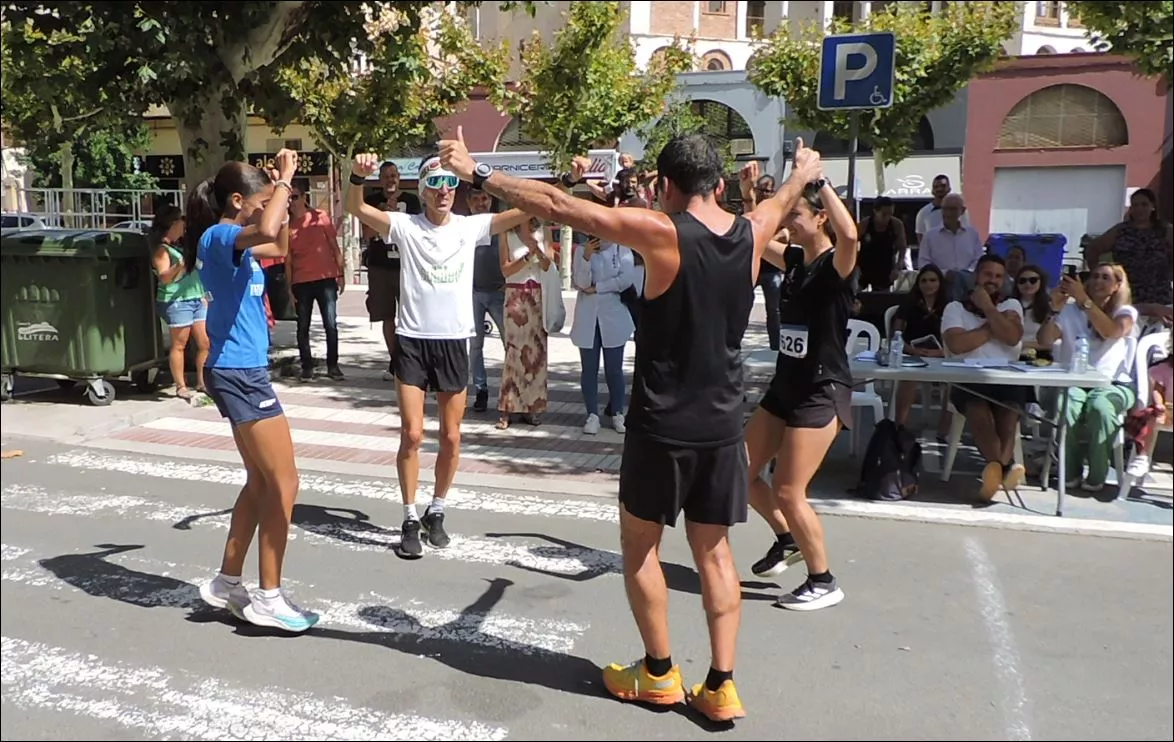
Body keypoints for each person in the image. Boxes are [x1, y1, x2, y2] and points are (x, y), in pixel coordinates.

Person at [439, 126, 825, 722]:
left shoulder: (663, 232)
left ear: (666, 187)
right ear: (719, 185)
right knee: (715, 553)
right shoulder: (753, 231)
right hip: (724, 424)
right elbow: (785, 195)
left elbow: (563, 207)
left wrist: (479, 173)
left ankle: (659, 673)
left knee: (640, 548)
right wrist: (803, 170)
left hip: (663, 426)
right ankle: (721, 686)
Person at [344, 152, 530, 559]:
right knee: (412, 433)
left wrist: (564, 186)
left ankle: (437, 510)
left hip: (453, 342)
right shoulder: (406, 226)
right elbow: (354, 207)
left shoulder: (470, 227)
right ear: (423, 190)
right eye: (435, 185)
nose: (444, 192)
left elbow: (522, 210)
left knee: (450, 436)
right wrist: (357, 176)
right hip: (412, 340)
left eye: (450, 185)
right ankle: (410, 516)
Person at [189, 149, 318, 633]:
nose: (268, 207)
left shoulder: (230, 241)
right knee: (285, 483)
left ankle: (226, 581)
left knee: (260, 482)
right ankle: (269, 596)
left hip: (236, 369)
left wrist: (283, 191)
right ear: (238, 200)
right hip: (241, 373)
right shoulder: (222, 235)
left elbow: (278, 240)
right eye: (260, 200)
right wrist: (282, 181)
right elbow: (267, 231)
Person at [739, 165, 860, 612]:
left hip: (821, 389)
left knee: (789, 490)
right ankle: (787, 539)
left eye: (796, 215)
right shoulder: (793, 262)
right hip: (785, 385)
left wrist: (819, 183)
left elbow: (851, 236)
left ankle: (823, 579)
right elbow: (753, 238)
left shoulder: (836, 265)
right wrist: (749, 195)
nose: (788, 222)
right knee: (741, 471)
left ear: (821, 217)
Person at [149, 205, 209, 398]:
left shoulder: (182, 245)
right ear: (173, 223)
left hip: (196, 297)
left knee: (205, 342)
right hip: (177, 301)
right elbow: (164, 277)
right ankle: (181, 386)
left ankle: (203, 383)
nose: (185, 224)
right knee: (180, 343)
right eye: (181, 219)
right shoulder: (162, 250)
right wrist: (181, 265)